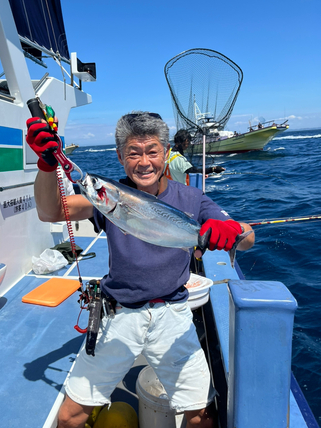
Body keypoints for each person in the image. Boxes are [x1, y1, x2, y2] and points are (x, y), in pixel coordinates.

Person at [26, 111, 255, 428]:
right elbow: (51, 211)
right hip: (118, 313)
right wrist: (47, 166)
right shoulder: (109, 196)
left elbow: (246, 237)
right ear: (120, 156)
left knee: (203, 418)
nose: (144, 162)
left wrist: (229, 231)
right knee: (69, 418)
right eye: (133, 153)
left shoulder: (192, 198)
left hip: (173, 315)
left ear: (166, 153)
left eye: (152, 151)